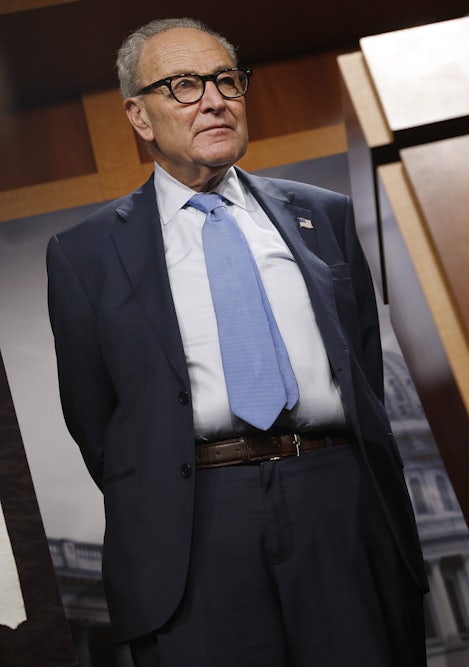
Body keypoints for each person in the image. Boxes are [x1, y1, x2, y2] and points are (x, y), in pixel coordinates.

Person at [46, 17, 427, 666]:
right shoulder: (83, 255)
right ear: (139, 115)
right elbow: (97, 422)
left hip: (336, 496)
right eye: (185, 86)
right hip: (194, 524)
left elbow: (361, 365)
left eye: (227, 80)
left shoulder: (325, 216)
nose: (216, 99)